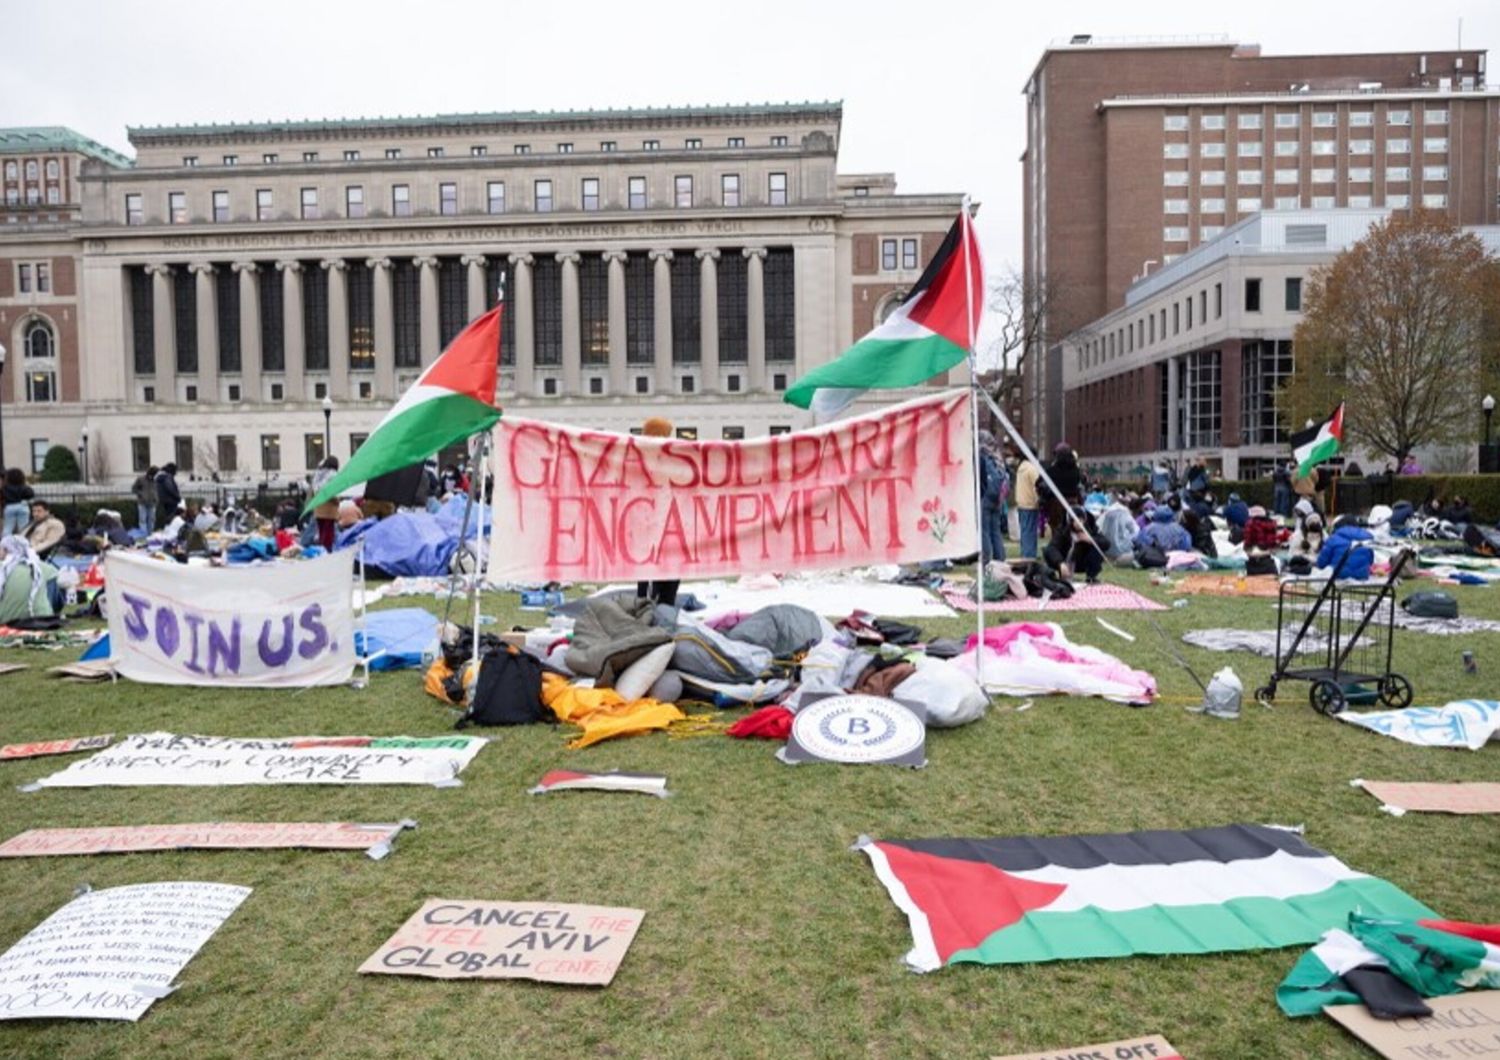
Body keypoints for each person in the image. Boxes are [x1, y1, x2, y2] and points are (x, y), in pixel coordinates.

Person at [635, 417, 680, 606]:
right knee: (654, 573)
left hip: (666, 524)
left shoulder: (667, 458)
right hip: (653, 523)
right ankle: (652, 606)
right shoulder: (646, 459)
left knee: (666, 573)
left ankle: (657, 605)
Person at [0, 535, 59, 624]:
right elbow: (57, 598)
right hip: (43, 621)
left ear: (6, 550)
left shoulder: (3, 568)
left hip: (6, 621)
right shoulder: (44, 568)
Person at [977, 431, 1007, 565]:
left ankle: (987, 561)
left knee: (984, 531)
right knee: (996, 530)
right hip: (998, 498)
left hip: (986, 496)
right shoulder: (997, 457)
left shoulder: (982, 455)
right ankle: (1000, 559)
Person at [1014, 449, 1042, 560]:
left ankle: (1026, 552)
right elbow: (1037, 486)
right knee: (1030, 531)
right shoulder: (1032, 469)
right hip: (1031, 503)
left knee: (1025, 530)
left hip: (1021, 502)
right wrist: (1038, 500)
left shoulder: (1021, 469)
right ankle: (1029, 555)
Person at [310, 456, 341, 550]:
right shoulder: (333, 475)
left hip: (318, 507)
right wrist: (337, 501)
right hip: (329, 508)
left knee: (321, 531)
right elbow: (331, 492)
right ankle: (325, 551)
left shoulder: (318, 474)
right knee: (328, 533)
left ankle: (321, 549)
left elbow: (313, 491)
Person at [2, 469, 34, 537]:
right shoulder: (23, 486)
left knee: (8, 527)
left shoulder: (5, 487)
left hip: (9, 507)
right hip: (22, 506)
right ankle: (23, 543)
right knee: (24, 528)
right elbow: (31, 494)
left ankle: (4, 544)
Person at [131, 465, 158, 534]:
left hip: (152, 503)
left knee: (151, 519)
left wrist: (156, 498)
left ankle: (150, 533)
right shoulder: (141, 479)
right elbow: (134, 489)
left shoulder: (155, 480)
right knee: (142, 520)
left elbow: (156, 490)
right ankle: (143, 534)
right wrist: (141, 494)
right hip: (142, 502)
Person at [154, 463, 181, 528]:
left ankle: (167, 528)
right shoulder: (167, 477)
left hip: (164, 500)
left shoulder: (159, 477)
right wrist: (177, 496)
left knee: (167, 516)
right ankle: (169, 529)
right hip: (171, 500)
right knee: (171, 517)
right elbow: (170, 488)